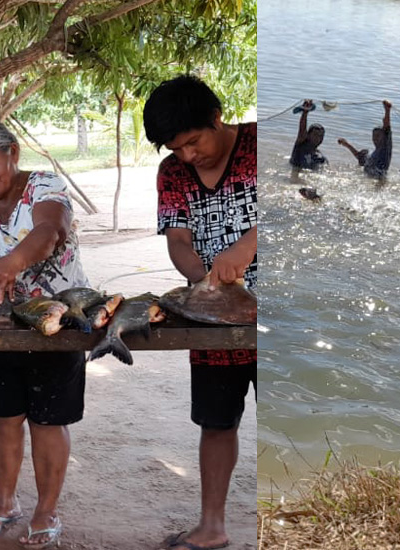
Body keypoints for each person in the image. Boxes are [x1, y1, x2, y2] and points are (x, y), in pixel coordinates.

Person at [0, 121, 88, 547]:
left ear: (14, 154)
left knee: (48, 420)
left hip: (56, 323)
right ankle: (5, 502)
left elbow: (49, 232)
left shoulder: (45, 187)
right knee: (3, 417)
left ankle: (46, 510)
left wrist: (10, 263)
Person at [147, 75, 257, 550]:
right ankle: (212, 528)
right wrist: (203, 279)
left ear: (217, 117)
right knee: (216, 422)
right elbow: (178, 240)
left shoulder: (261, 145)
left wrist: (244, 250)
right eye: (177, 148)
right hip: (212, 318)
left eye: (193, 141)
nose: (188, 156)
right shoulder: (173, 173)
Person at [334, 100, 391, 180]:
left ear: (383, 137)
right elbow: (359, 157)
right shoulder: (372, 154)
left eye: (378, 136)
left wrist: (387, 110)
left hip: (378, 181)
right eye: (374, 136)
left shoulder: (384, 151)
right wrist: (347, 145)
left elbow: (387, 128)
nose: (375, 138)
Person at [289, 100, 326, 171]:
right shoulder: (301, 145)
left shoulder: (320, 156)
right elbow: (302, 130)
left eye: (321, 135)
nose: (318, 138)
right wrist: (305, 112)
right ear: (308, 135)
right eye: (315, 134)